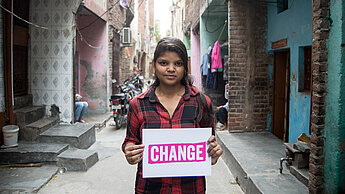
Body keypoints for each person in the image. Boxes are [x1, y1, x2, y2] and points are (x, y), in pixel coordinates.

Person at [122, 37, 223, 193]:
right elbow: (131, 140)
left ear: (185, 67)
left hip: (191, 188)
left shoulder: (202, 102)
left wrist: (213, 152)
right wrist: (130, 151)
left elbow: (209, 142)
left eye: (178, 63)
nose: (171, 68)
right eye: (164, 63)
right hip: (150, 189)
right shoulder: (138, 104)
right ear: (154, 65)